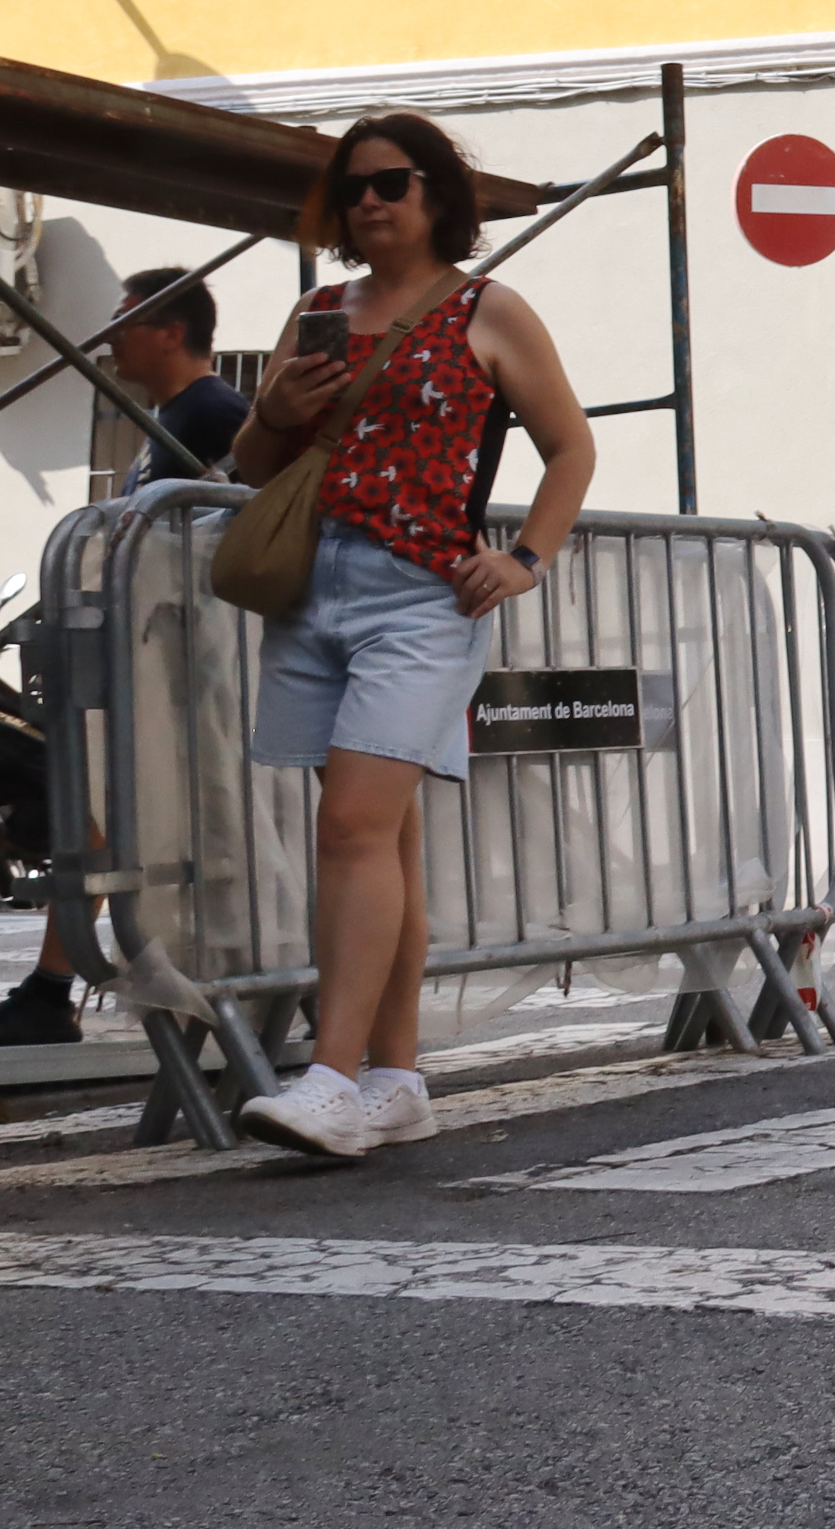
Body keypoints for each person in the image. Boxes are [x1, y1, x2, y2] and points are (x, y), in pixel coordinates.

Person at [221, 114, 594, 1158]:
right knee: (384, 845)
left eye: (391, 183)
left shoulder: (490, 309)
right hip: (312, 586)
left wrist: (524, 558)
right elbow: (253, 464)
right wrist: (278, 404)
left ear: (438, 196)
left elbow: (569, 448)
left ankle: (330, 1079)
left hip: (422, 599)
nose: (369, 203)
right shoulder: (317, 311)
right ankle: (396, 1077)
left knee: (350, 826)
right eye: (353, 189)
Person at [0, 264, 255, 1051]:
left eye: (127, 319)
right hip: (158, 667)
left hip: (195, 674)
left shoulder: (212, 412)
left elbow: (227, 532)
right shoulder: (170, 419)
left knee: (185, 828)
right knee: (104, 818)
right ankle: (60, 988)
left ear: (171, 330)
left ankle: (243, 983)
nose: (110, 337)